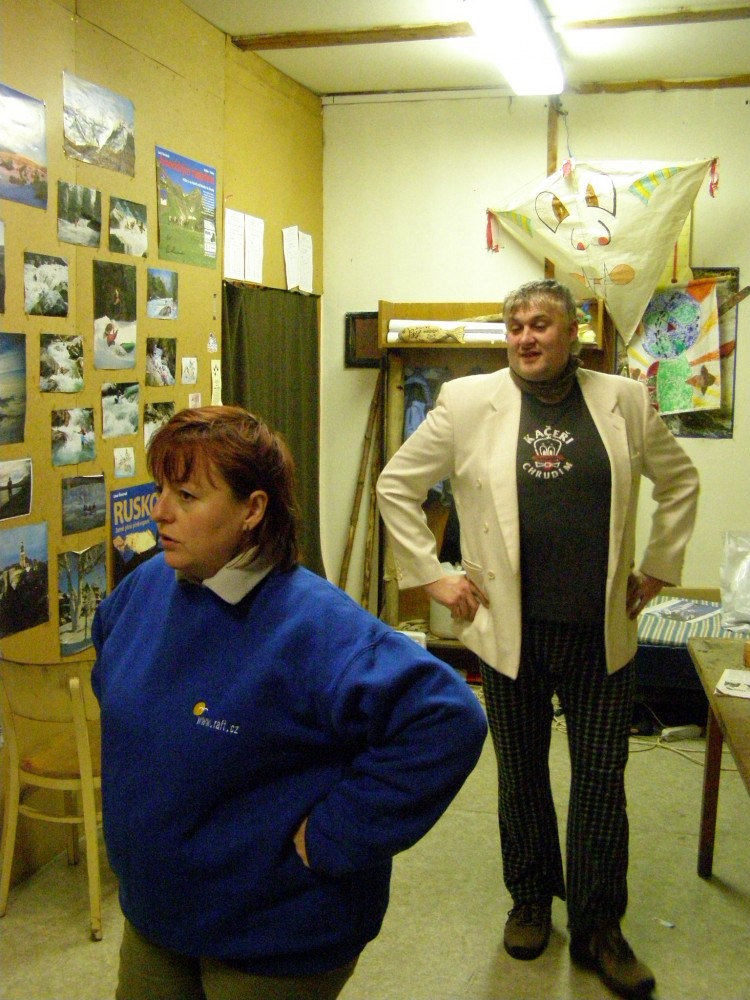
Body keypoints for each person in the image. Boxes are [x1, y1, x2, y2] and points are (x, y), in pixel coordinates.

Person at [92, 405, 486, 1000]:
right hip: (159, 912)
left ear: (252, 510)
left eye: (187, 496)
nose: (160, 511)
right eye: (161, 489)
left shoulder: (313, 626)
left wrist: (336, 834)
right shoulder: (146, 588)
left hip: (274, 934)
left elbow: (446, 719)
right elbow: (116, 671)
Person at [377, 279, 699, 1000]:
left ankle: (599, 927)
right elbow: (396, 486)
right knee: (520, 776)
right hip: (508, 633)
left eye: (541, 324)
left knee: (600, 782)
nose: (526, 337)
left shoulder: (625, 400)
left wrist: (659, 564)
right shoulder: (467, 402)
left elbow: (679, 482)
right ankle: (528, 901)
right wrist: (432, 577)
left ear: (573, 332)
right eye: (515, 325)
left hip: (598, 634)